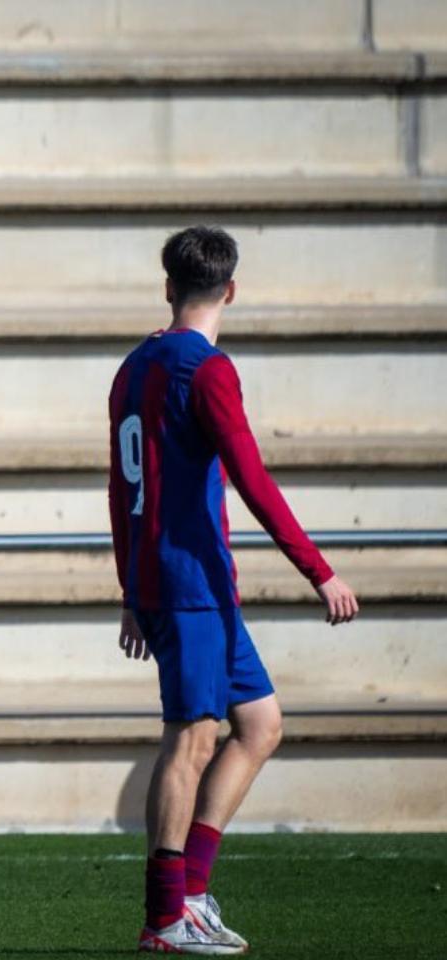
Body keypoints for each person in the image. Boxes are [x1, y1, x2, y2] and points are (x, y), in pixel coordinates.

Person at [109, 226, 359, 955]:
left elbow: (123, 484)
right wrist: (319, 569)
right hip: (188, 585)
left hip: (186, 586)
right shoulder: (207, 369)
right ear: (231, 290)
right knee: (190, 740)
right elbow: (251, 479)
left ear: (167, 287)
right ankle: (163, 918)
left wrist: (130, 586)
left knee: (259, 724)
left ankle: (191, 894)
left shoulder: (134, 366)